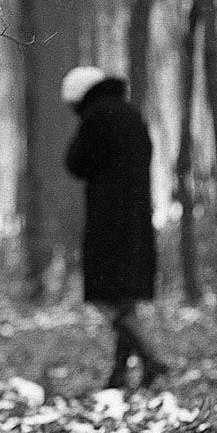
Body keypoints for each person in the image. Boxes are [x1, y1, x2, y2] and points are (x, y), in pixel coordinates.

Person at [61, 67, 168, 389]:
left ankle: (151, 356)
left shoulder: (95, 118)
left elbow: (76, 164)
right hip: (138, 217)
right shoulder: (133, 115)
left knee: (103, 296)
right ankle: (121, 374)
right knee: (126, 299)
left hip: (107, 220)